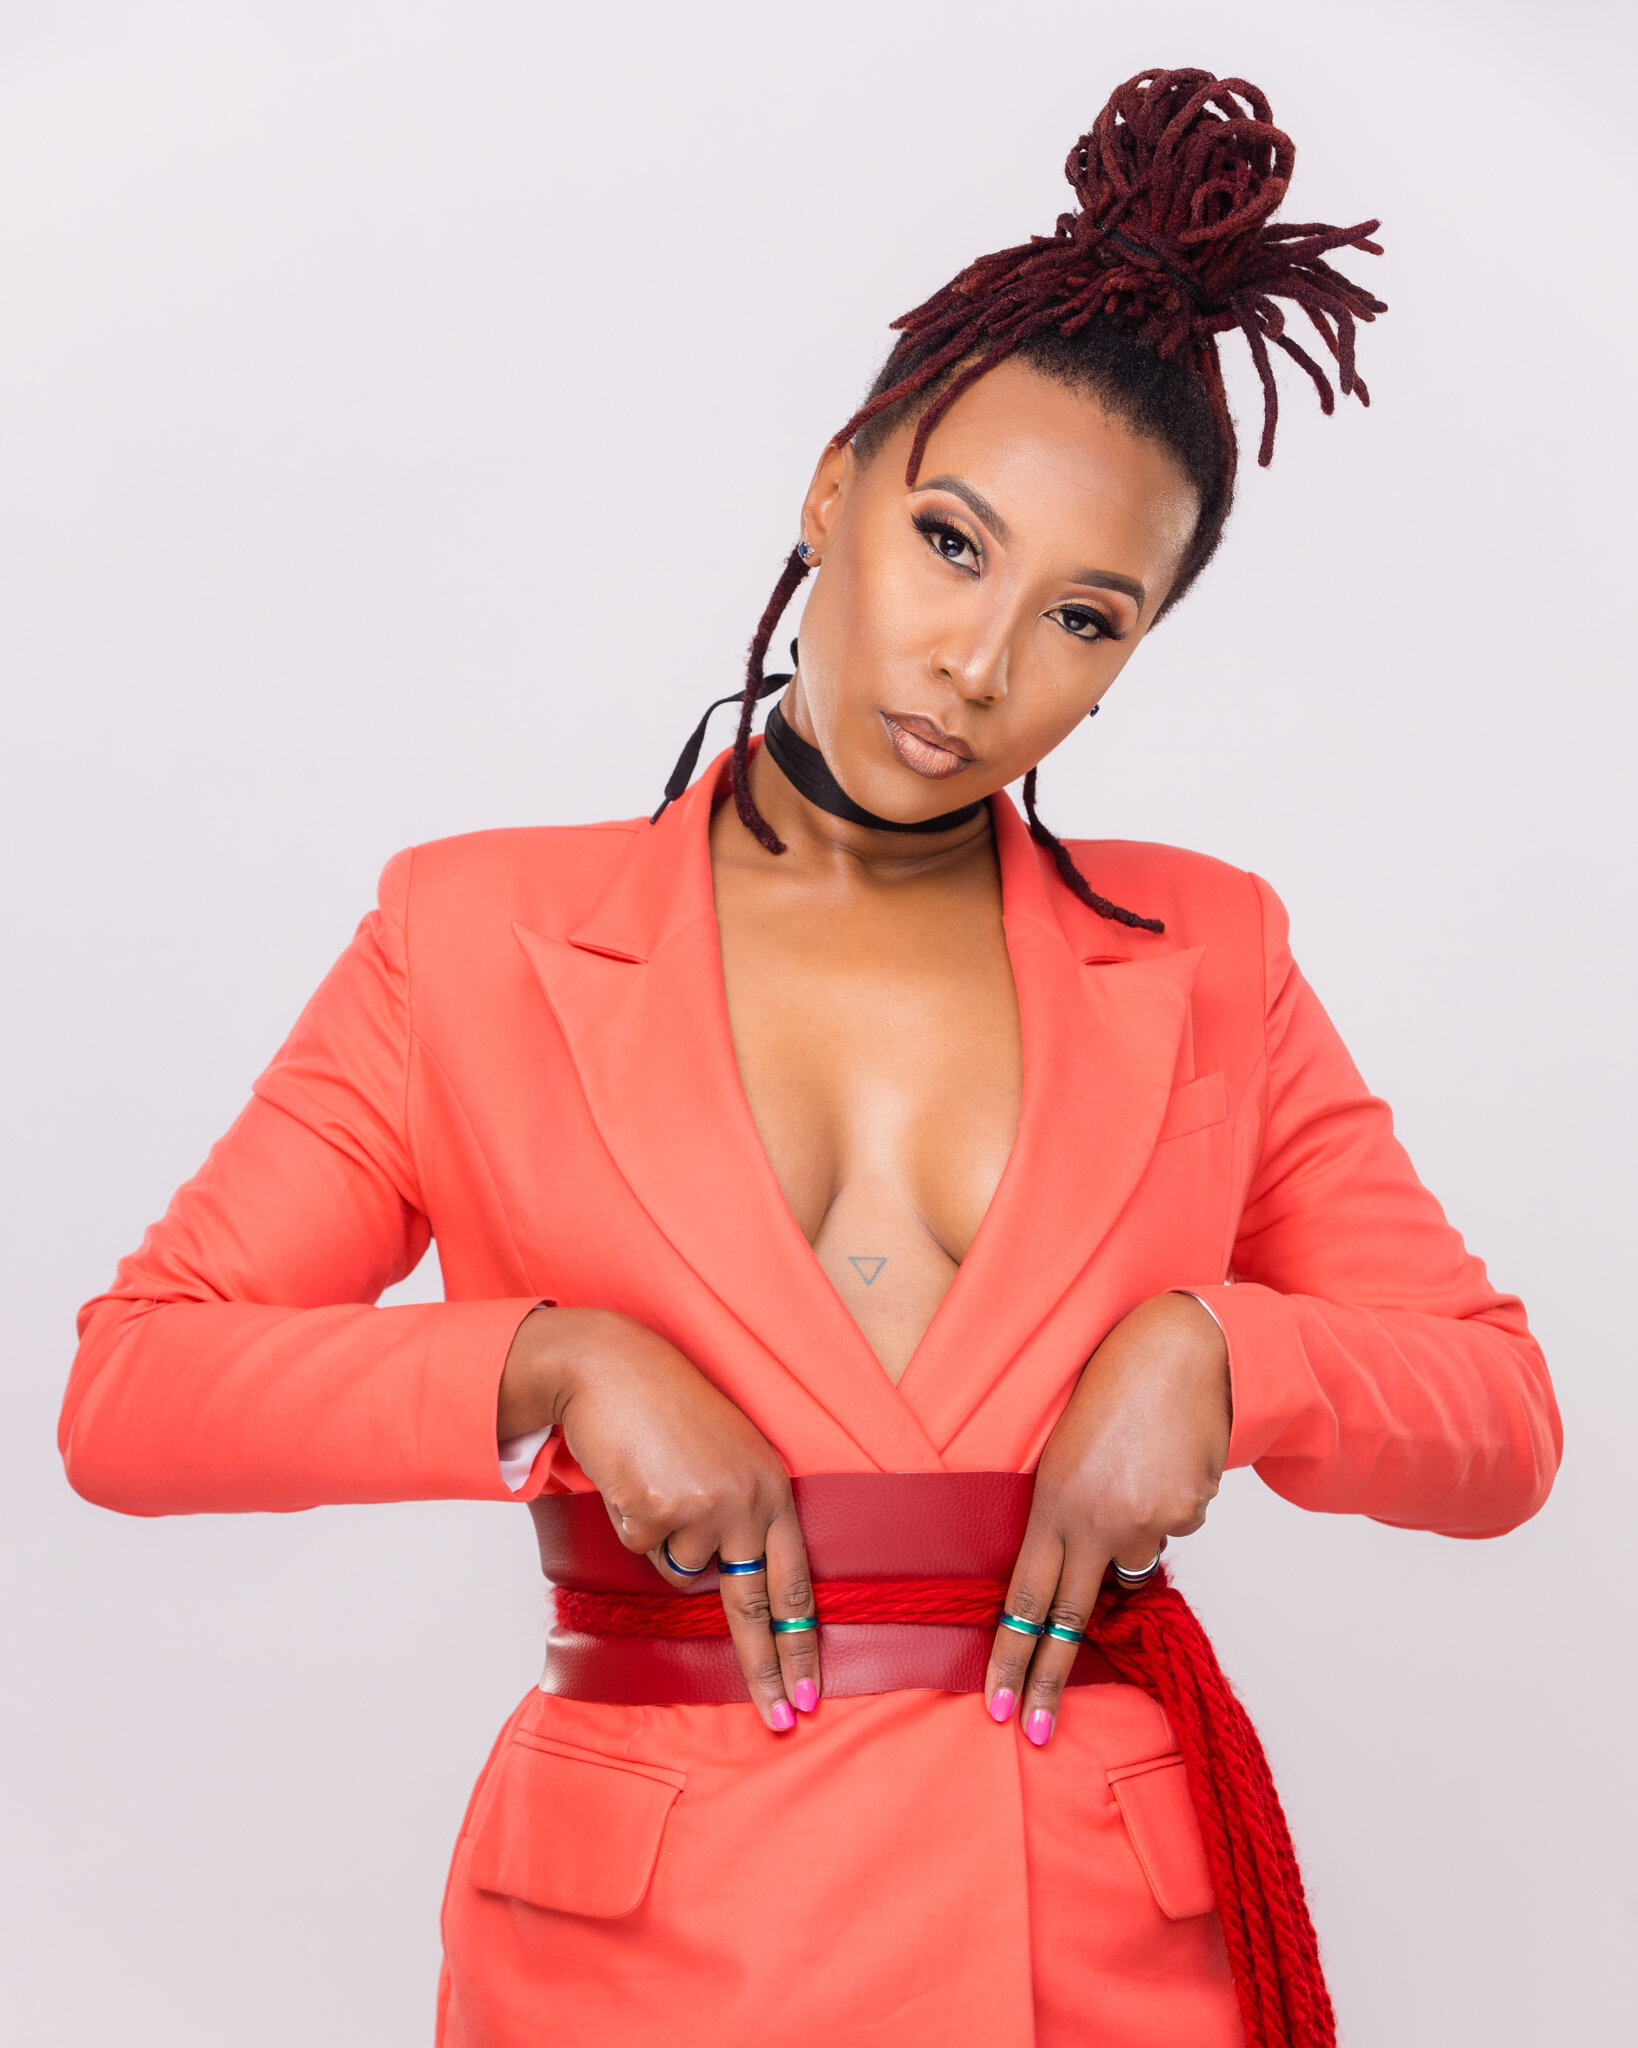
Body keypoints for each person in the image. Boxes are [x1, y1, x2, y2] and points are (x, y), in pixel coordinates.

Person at [59, 67, 1560, 2048]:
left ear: (1128, 657)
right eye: (949, 540)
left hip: (1095, 1957)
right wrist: (550, 1363)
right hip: (652, 1962)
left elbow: (1497, 1420)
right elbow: (135, 1392)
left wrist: (1223, 1354)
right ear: (833, 490)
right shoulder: (471, 933)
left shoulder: (1210, 956)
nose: (978, 662)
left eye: (1082, 616)